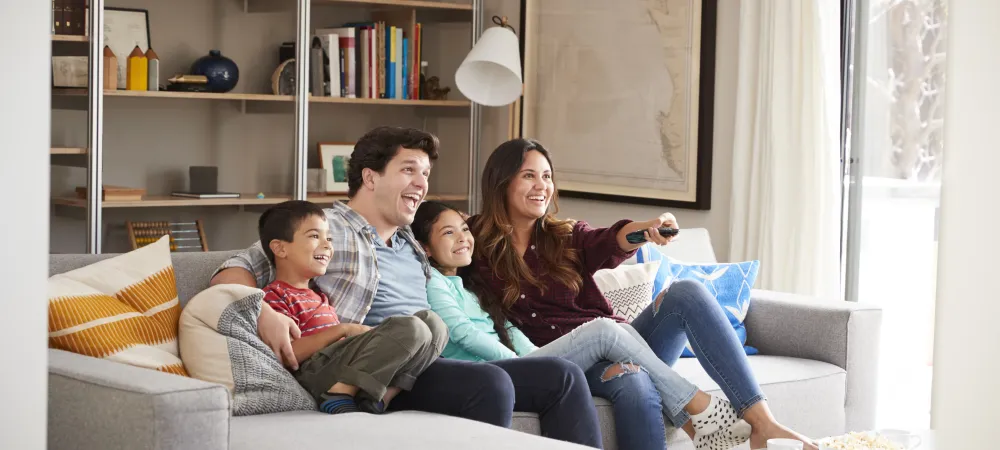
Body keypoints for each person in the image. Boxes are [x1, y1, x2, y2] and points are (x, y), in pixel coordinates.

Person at [210, 127, 602, 448]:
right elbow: (232, 270)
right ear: (370, 177)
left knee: (562, 376)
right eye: (409, 170)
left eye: (426, 174)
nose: (421, 184)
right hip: (370, 368)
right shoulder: (327, 229)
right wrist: (262, 311)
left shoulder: (411, 242)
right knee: (490, 383)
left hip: (427, 361)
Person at [465, 138, 819, 450]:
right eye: (529, 175)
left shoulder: (565, 237)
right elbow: (440, 263)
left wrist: (649, 229)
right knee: (633, 379)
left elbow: (614, 239)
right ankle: (697, 415)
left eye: (547, 176)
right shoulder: (472, 243)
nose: (542, 185)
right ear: (502, 181)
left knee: (687, 293)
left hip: (620, 341)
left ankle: (762, 422)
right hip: (563, 365)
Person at [413, 200, 753, 450]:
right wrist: (517, 361)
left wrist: (533, 357)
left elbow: (507, 328)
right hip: (496, 371)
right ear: (426, 248)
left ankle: (703, 421)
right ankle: (698, 405)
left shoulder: (467, 285)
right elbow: (463, 333)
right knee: (604, 331)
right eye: (448, 233)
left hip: (524, 361)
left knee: (622, 331)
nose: (463, 238)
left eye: (464, 229)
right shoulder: (435, 285)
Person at [257, 200, 447, 415]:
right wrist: (343, 329)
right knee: (411, 327)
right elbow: (288, 355)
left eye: (329, 238)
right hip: (315, 373)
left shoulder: (319, 295)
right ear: (280, 248)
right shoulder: (275, 295)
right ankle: (338, 393)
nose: (327, 245)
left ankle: (383, 396)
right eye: (314, 236)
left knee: (434, 324)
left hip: (342, 363)